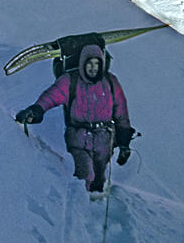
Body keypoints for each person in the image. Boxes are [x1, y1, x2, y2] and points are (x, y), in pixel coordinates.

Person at [15, 44, 134, 192]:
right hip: (78, 138)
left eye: (97, 63)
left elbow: (121, 112)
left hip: (105, 139)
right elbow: (51, 96)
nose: (93, 67)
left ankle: (93, 205)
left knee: (99, 179)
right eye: (89, 63)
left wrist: (124, 144)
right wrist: (36, 110)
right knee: (85, 174)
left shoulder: (110, 82)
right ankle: (80, 206)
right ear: (82, 63)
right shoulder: (70, 81)